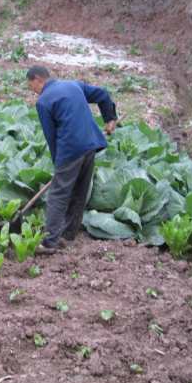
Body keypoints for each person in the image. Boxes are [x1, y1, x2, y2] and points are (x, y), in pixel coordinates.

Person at [26, 65, 117, 252]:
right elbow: (102, 94)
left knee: (58, 195)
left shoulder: (43, 101)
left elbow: (51, 137)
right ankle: (68, 233)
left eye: (31, 86)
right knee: (79, 191)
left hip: (70, 149)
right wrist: (110, 118)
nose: (33, 91)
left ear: (37, 79)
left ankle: (49, 242)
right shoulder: (73, 85)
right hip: (90, 145)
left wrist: (58, 164)